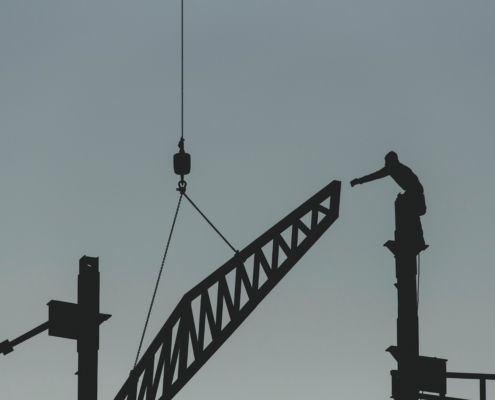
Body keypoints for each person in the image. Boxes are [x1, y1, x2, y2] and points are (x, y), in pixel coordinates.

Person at [351, 151, 427, 253]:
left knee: (410, 214)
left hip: (414, 193)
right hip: (413, 192)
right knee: (409, 214)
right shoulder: (398, 168)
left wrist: (359, 181)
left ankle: (413, 238)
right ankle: (412, 237)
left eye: (386, 161)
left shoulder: (396, 168)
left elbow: (376, 175)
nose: (385, 164)